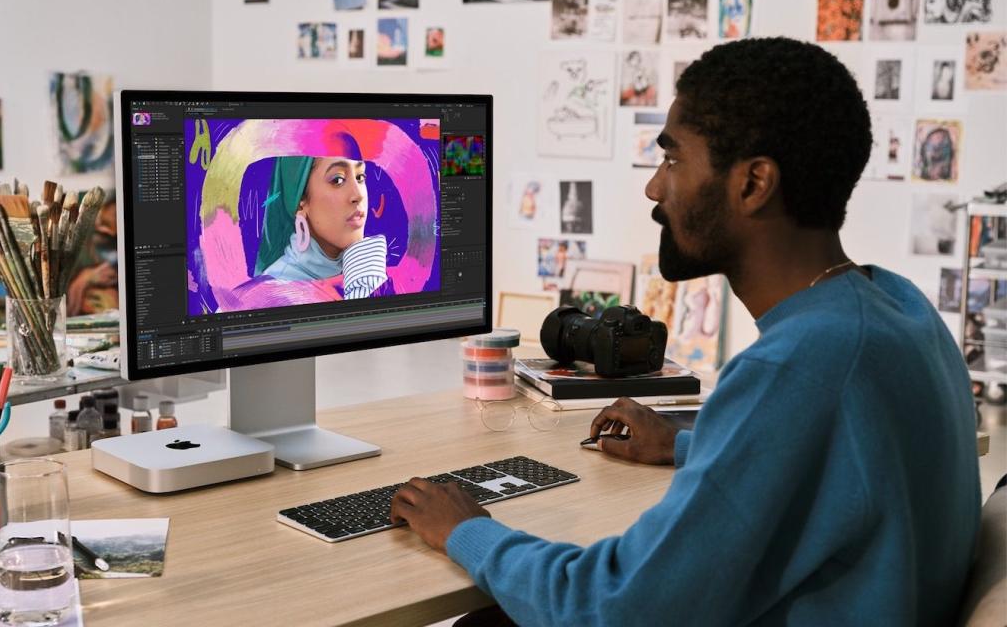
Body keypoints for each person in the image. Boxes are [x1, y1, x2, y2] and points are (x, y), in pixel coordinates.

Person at [389, 37, 981, 625]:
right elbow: (844, 467)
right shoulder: (898, 305)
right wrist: (684, 444)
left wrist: (468, 530)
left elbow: (614, 608)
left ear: (753, 184)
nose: (654, 187)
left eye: (673, 160)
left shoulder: (797, 365)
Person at [254, 154, 388, 300]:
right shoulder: (275, 293)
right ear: (301, 201)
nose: (358, 195)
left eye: (360, 177)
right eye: (338, 180)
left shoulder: (368, 269)